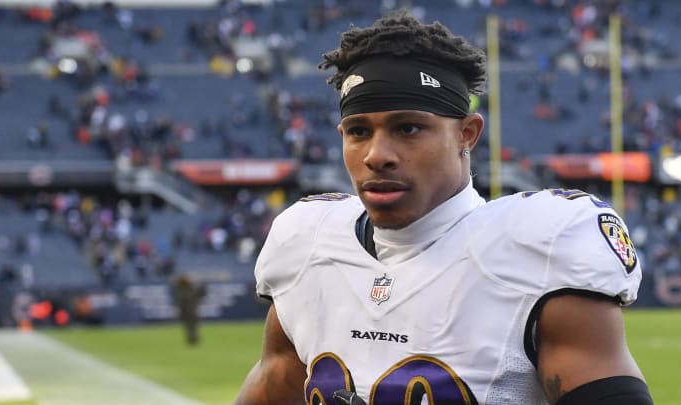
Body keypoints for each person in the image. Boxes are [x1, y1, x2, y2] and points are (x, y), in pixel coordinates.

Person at [234, 11, 652, 405]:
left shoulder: (538, 247)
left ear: (466, 134)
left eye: (408, 128)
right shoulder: (306, 242)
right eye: (359, 131)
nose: (377, 155)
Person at [172, 274, 206, 346]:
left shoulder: (181, 291)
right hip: (189, 312)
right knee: (191, 327)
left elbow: (200, 295)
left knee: (190, 327)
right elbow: (200, 295)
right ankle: (192, 339)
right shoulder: (187, 290)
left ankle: (192, 339)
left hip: (188, 312)